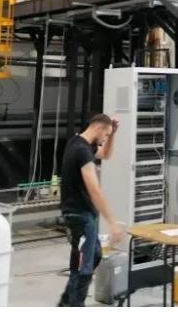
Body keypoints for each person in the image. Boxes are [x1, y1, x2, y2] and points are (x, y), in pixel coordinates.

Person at [57, 114, 124, 307]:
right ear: (98, 128)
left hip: (80, 215)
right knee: (84, 267)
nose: (104, 139)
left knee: (93, 255)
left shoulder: (77, 143)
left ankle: (65, 304)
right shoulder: (82, 152)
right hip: (81, 216)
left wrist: (113, 134)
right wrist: (112, 222)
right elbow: (95, 190)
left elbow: (106, 154)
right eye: (106, 135)